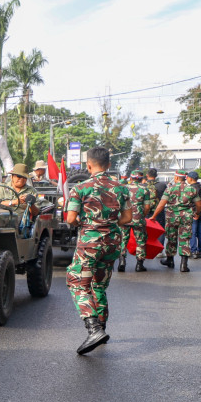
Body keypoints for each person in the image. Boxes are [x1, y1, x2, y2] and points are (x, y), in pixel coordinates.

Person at [65, 147, 131, 355]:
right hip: (113, 242)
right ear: (109, 165)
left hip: (90, 242)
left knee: (77, 281)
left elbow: (70, 219)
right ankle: (101, 329)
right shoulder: (121, 188)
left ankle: (93, 328)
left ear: (89, 165)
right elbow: (127, 218)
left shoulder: (81, 188)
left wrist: (86, 224)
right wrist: (109, 222)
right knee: (99, 285)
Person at [150, 170, 200, 271]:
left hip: (172, 217)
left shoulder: (170, 189)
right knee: (185, 239)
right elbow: (199, 205)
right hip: (186, 217)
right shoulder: (192, 189)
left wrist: (154, 216)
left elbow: (162, 204)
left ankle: (170, 260)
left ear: (176, 177)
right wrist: (197, 213)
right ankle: (183, 264)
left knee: (171, 238)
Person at [118, 170, 151, 272]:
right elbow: (147, 207)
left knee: (123, 239)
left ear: (130, 178)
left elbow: (118, 204)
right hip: (138, 218)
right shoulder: (145, 190)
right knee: (140, 240)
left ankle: (122, 261)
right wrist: (142, 216)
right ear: (140, 179)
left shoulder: (123, 188)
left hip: (124, 218)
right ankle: (139, 265)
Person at [145, 168, 167, 247]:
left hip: (145, 210)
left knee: (145, 229)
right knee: (160, 229)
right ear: (156, 176)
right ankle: (159, 249)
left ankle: (145, 247)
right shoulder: (162, 185)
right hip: (158, 211)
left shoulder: (143, 185)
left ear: (147, 175)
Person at [189, 172, 201, 258]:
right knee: (200, 232)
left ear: (190, 178)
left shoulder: (191, 188)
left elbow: (190, 202)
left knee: (193, 232)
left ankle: (193, 251)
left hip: (194, 212)